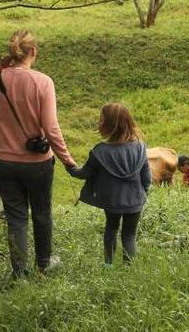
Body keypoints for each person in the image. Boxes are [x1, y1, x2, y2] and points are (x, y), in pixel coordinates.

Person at [0, 30, 77, 277]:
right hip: (37, 163)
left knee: (16, 217)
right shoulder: (43, 82)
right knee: (42, 212)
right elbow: (51, 127)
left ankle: (19, 272)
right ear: (33, 52)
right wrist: (67, 160)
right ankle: (44, 264)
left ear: (11, 52)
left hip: (3, 161)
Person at [68, 103, 151, 267]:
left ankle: (108, 265)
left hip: (112, 202)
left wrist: (70, 168)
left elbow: (84, 173)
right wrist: (143, 194)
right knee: (129, 235)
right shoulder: (140, 147)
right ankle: (129, 270)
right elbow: (147, 178)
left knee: (111, 229)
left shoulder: (100, 151)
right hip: (135, 201)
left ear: (108, 124)